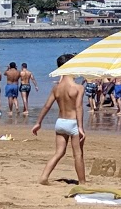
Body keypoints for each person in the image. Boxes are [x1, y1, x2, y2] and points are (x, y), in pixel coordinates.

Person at [32, 55, 87, 186]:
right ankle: (83, 182)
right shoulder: (78, 88)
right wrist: (80, 127)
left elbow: (47, 106)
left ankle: (44, 177)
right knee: (78, 154)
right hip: (73, 123)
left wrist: (38, 122)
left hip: (60, 122)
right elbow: (78, 107)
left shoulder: (56, 88)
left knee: (59, 153)